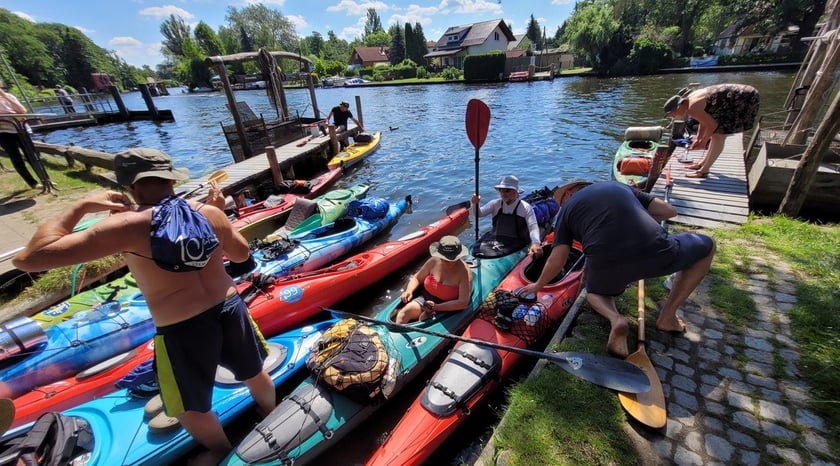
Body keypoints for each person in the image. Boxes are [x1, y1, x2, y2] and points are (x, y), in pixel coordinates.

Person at [12, 148, 275, 464]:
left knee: (188, 408)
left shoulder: (125, 226)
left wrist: (81, 206)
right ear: (171, 178)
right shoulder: (209, 213)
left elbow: (29, 259)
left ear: (129, 186)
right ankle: (272, 416)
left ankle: (224, 454)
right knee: (254, 372)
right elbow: (241, 256)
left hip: (183, 327)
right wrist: (218, 217)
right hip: (230, 307)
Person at [518, 180, 716, 358]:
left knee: (594, 293)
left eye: (561, 201)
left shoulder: (567, 209)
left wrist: (537, 286)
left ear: (569, 193)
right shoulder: (619, 186)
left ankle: (616, 319)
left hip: (607, 259)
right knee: (708, 245)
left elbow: (557, 259)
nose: (561, 205)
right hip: (655, 248)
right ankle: (668, 317)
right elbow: (669, 211)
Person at [663, 83, 760, 178]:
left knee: (718, 136)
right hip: (734, 97)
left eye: (672, 114)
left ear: (678, 107)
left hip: (744, 98)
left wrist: (704, 141)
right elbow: (703, 121)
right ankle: (702, 165)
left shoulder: (692, 107)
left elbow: (712, 125)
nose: (673, 116)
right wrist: (698, 138)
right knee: (716, 134)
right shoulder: (690, 101)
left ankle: (704, 171)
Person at [394, 235, 473, 324]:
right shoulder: (433, 261)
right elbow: (417, 278)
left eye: (453, 259)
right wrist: (409, 290)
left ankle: (426, 316)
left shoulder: (464, 272)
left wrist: (436, 307)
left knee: (424, 320)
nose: (449, 263)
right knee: (403, 313)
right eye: (445, 259)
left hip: (448, 306)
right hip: (426, 299)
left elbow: (463, 303)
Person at [471, 175, 543, 257]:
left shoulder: (525, 207)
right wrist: (475, 203)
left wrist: (536, 242)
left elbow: (533, 227)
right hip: (496, 238)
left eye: (507, 190)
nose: (503, 193)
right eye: (501, 190)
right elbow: (479, 214)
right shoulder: (495, 204)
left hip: (517, 241)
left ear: (516, 191)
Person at [0, 79, 42, 189]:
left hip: (21, 130)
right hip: (4, 133)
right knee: (16, 158)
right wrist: (10, 113)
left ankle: (45, 179)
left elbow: (22, 111)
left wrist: (4, 96)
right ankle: (33, 183)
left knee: (32, 155)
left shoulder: (9, 96)